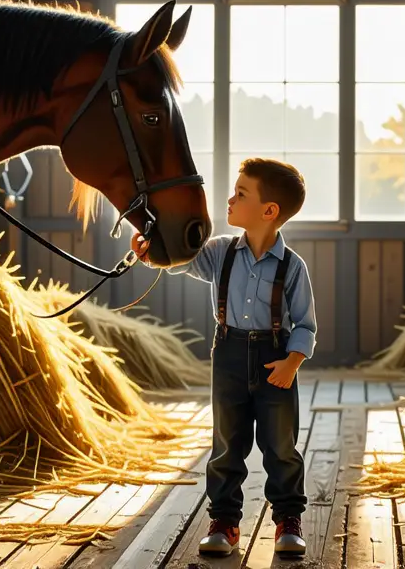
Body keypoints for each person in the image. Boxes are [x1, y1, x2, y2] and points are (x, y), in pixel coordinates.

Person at [132, 157, 316, 558]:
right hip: (228, 355)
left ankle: (288, 520)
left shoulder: (292, 267)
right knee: (226, 444)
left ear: (269, 212)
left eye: (241, 193)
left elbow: (305, 324)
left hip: (275, 361)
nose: (229, 200)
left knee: (280, 445)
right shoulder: (220, 252)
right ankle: (225, 522)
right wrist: (150, 251)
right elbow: (179, 258)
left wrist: (291, 363)